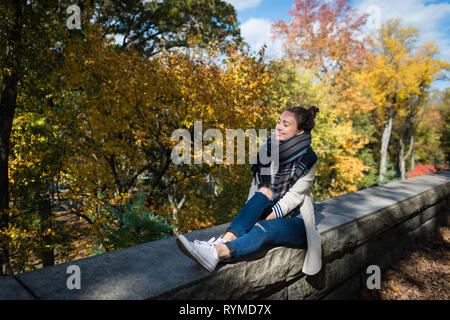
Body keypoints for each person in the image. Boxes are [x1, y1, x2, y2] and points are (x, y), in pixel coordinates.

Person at [176, 106, 322, 275]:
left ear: (300, 131)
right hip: (268, 205)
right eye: (279, 122)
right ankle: (221, 241)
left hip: (297, 220)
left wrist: (264, 217)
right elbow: (257, 189)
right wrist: (249, 216)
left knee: (264, 227)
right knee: (264, 192)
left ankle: (219, 253)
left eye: (286, 124)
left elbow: (294, 197)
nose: (279, 127)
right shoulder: (268, 148)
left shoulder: (308, 158)